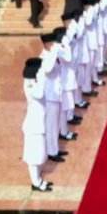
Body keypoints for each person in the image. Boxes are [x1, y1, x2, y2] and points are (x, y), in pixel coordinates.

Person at [39, 33, 72, 163]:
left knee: (56, 123)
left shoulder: (54, 54)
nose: (54, 45)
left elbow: (68, 58)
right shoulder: (44, 57)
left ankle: (55, 148)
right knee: (51, 125)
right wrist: (54, 52)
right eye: (52, 43)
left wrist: (64, 46)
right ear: (47, 44)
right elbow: (48, 68)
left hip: (57, 93)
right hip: (50, 96)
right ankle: (51, 152)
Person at [22, 57, 51, 192]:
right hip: (33, 126)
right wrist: (42, 76)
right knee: (33, 157)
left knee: (38, 154)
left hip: (39, 124)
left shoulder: (33, 82)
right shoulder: (29, 84)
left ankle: (38, 179)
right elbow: (39, 94)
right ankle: (35, 183)